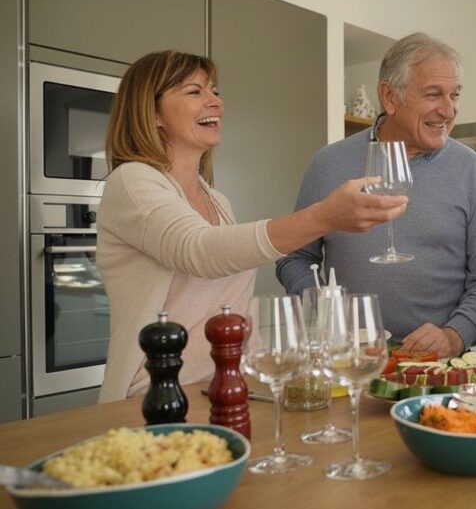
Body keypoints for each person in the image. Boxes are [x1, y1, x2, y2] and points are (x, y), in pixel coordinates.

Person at [98, 50, 407, 402]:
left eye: (215, 91)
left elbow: (236, 304)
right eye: (195, 91)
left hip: (226, 387)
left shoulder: (216, 200)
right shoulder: (133, 181)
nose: (215, 102)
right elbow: (196, 251)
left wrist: (265, 374)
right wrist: (323, 217)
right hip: (155, 395)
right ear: (152, 113)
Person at [276, 33, 476, 358]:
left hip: (434, 368)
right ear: (389, 96)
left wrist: (454, 336)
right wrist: (323, 311)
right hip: (345, 359)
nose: (448, 110)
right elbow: (295, 257)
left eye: (455, 95)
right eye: (433, 95)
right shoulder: (329, 163)